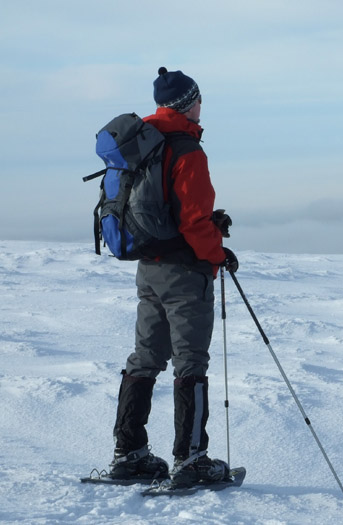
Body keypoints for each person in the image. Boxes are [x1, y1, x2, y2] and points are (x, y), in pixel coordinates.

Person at [108, 67, 239, 487]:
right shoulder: (186, 150)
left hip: (149, 267)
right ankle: (192, 459)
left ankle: (129, 454)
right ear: (189, 103)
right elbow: (194, 221)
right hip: (185, 272)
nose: (202, 107)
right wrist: (218, 253)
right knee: (191, 362)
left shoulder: (141, 143)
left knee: (144, 358)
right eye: (198, 100)